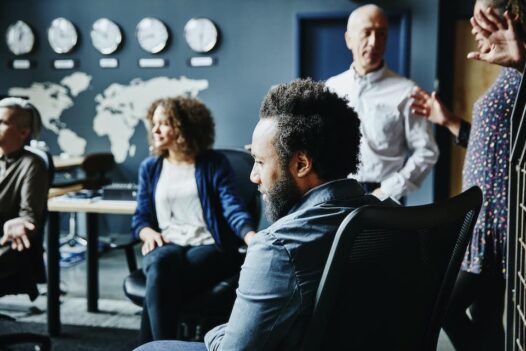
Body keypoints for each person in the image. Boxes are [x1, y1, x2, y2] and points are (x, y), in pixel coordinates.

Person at [134, 79, 376, 351]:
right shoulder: (401, 222)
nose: (252, 176)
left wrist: (216, 333)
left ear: (301, 164)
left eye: (260, 162)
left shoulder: (276, 246)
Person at [410, 1, 525, 349]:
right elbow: (496, 144)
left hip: (496, 225)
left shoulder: (520, 69)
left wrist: (524, 62)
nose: (473, 26)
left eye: (482, 14)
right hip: (483, 222)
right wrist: (447, 120)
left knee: (439, 305)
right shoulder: (509, 72)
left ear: (512, 16)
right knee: (486, 318)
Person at [132, 97, 257, 344]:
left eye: (164, 123)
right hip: (168, 245)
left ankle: (153, 347)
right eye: (154, 123)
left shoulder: (212, 163)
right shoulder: (150, 167)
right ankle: (166, 347)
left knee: (160, 275)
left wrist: (251, 237)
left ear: (184, 127)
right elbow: (141, 217)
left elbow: (231, 206)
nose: (155, 130)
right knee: (161, 262)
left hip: (209, 246)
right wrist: (148, 233)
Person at [325, 4, 439, 201]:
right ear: (349, 39)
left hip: (385, 199)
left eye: (381, 34)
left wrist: (388, 191)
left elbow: (427, 151)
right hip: (336, 195)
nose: (374, 42)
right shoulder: (331, 88)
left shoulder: (407, 91)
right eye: (366, 32)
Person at [0, 97, 49, 300]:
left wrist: (20, 223)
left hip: (6, 242)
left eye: (2, 122)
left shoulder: (32, 165)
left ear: (24, 132)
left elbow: (29, 216)